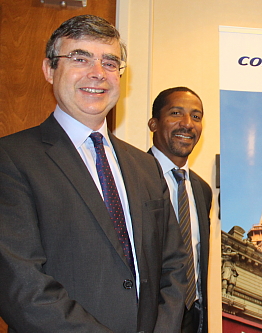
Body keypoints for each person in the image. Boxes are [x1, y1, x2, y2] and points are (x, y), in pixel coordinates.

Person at [0, 15, 186, 332]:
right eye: (80, 57)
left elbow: (174, 266)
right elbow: (22, 285)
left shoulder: (144, 165)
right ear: (49, 69)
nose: (97, 73)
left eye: (110, 63)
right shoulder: (12, 158)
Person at [148, 86, 212, 333]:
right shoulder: (131, 178)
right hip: (150, 317)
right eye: (176, 113)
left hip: (194, 317)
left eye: (196, 116)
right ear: (154, 123)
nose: (187, 124)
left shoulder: (202, 190)